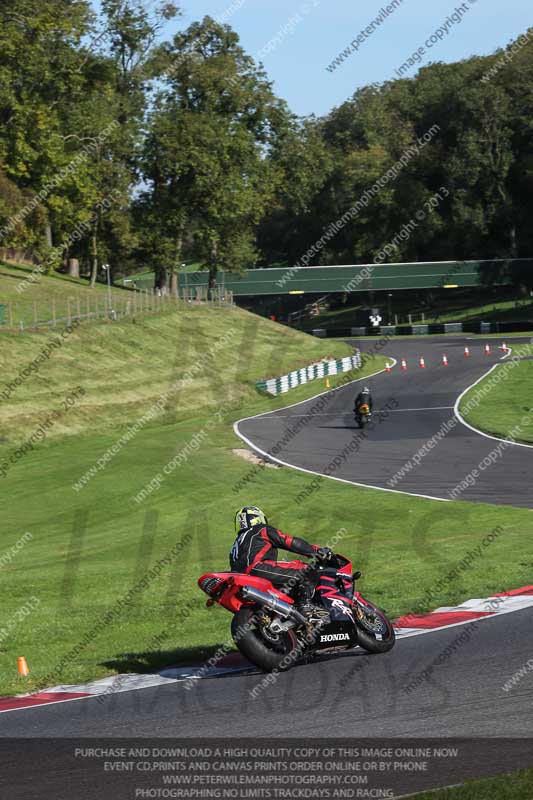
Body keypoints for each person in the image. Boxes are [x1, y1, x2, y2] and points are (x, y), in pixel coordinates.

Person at [230, 506, 332, 619]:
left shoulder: (235, 545)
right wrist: (316, 551)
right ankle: (305, 605)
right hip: (259, 569)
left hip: (242, 579)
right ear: (258, 518)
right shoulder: (261, 529)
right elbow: (288, 541)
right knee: (308, 570)